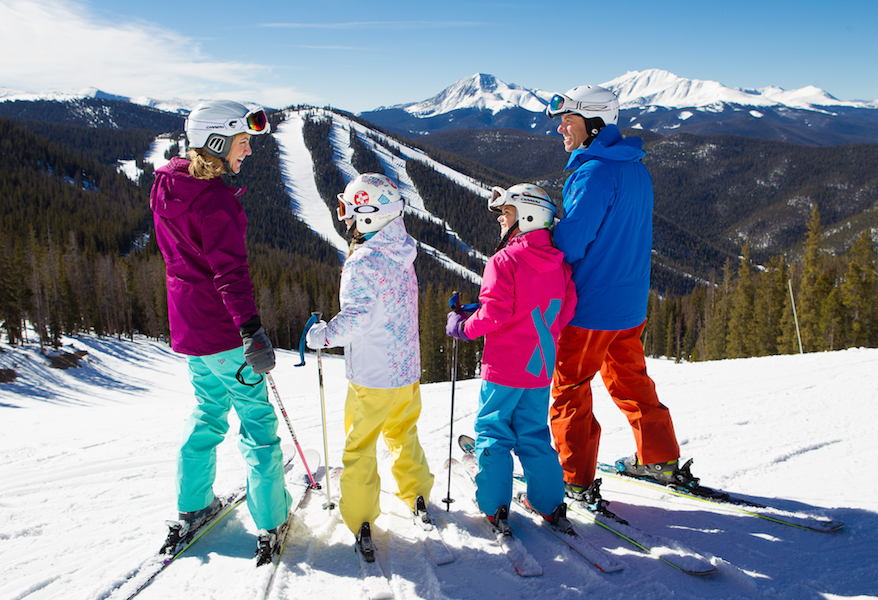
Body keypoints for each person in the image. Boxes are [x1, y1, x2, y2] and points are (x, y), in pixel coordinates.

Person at [150, 100, 292, 566]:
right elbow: (230, 272)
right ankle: (271, 521)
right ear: (216, 140)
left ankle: (193, 505)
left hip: (190, 327)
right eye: (243, 141)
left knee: (208, 413)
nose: (248, 151)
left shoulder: (166, 183)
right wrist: (252, 331)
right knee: (257, 424)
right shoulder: (215, 200)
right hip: (225, 331)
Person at [544, 85, 697, 504]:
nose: (561, 129)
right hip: (629, 304)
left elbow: (572, 243)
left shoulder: (594, 172)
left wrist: (539, 236)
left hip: (591, 306)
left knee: (570, 388)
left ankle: (572, 478)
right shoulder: (634, 167)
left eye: (568, 120)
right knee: (631, 381)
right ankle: (659, 458)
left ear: (593, 123)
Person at [305, 173, 433, 560]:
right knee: (402, 433)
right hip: (405, 372)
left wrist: (322, 336)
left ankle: (361, 515)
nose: (344, 218)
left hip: (372, 377)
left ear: (368, 213)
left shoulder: (363, 261)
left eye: (347, 209)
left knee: (360, 445)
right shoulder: (403, 251)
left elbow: (357, 317)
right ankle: (418, 495)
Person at [446, 183, 577, 532]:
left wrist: (461, 326)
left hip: (504, 368)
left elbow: (494, 316)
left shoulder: (504, 260)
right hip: (539, 367)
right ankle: (548, 502)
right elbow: (564, 312)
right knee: (533, 434)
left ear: (528, 216)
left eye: (507, 212)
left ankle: (494, 506)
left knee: (494, 432)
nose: (501, 220)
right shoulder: (561, 266)